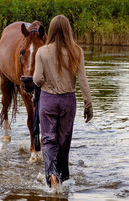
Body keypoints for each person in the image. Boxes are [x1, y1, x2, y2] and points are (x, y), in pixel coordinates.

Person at [33, 15, 93, 192]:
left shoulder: (42, 52)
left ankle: (52, 175)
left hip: (48, 100)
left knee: (49, 140)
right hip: (68, 101)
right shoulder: (77, 51)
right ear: (68, 30)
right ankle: (60, 175)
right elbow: (83, 81)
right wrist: (88, 105)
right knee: (63, 141)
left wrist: (43, 82)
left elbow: (37, 79)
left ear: (51, 30)